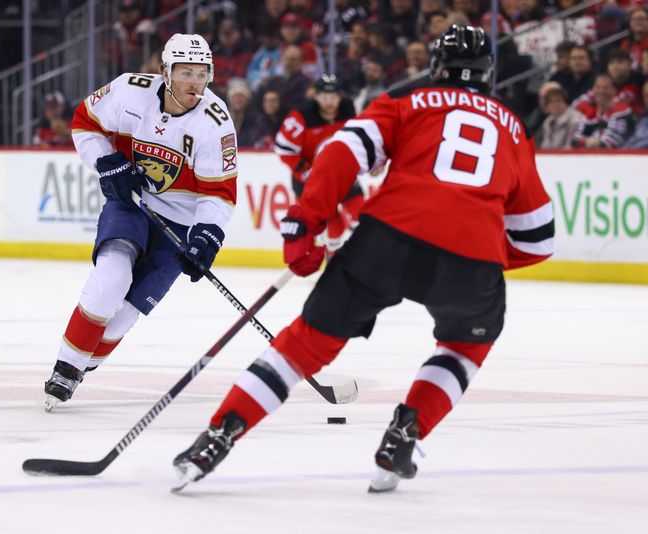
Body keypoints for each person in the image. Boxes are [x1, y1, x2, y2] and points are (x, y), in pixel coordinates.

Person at [173, 25, 554, 493]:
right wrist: (482, 253)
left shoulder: (407, 103)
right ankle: (403, 436)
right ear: (488, 75)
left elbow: (341, 152)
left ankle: (217, 437)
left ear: (435, 69)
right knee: (464, 348)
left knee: (301, 347)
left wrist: (305, 221)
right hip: (470, 261)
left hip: (386, 240)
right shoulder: (514, 130)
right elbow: (538, 239)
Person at [42, 33, 238, 411]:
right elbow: (85, 122)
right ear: (165, 72)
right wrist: (106, 160)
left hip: (179, 226)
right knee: (110, 278)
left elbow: (219, 193)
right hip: (133, 202)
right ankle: (65, 369)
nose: (194, 82)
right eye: (185, 72)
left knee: (119, 322)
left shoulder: (216, 123)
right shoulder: (130, 91)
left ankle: (85, 362)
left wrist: (206, 237)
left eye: (202, 73)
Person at [274, 74, 364, 256]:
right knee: (335, 225)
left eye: (333, 96)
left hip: (340, 176)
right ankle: (332, 256)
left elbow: (358, 138)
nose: (329, 101)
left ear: (340, 96)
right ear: (315, 96)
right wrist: (309, 174)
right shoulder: (300, 117)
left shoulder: (348, 109)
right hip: (310, 181)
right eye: (324, 96)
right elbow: (284, 150)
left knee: (361, 214)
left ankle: (364, 256)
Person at [572, 73, 635, 148]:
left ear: (614, 90)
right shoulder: (591, 111)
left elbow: (610, 144)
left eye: (606, 88)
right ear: (592, 89)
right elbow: (575, 141)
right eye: (598, 87)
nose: (601, 91)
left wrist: (589, 143)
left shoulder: (622, 111)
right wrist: (586, 142)